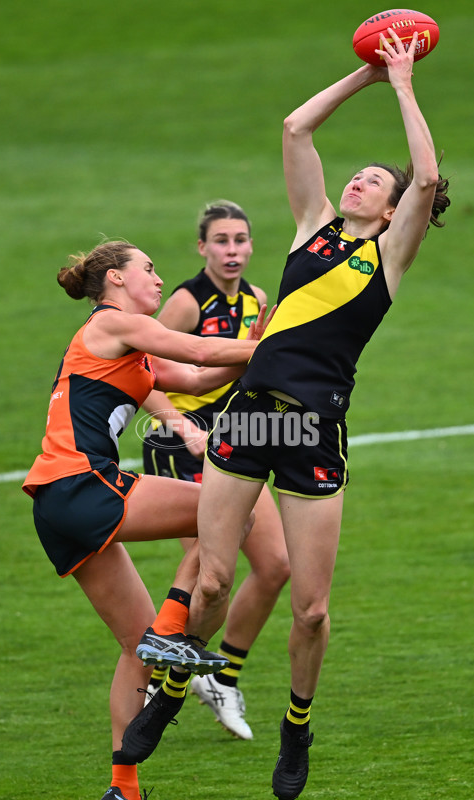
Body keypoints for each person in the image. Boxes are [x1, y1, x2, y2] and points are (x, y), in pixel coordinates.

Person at [124, 29, 451, 800]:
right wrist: (364, 77)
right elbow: (295, 128)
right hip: (250, 419)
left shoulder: (388, 258)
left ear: (394, 207)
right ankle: (169, 699)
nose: (360, 182)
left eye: (375, 181)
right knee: (207, 583)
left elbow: (428, 176)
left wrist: (404, 85)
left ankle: (296, 723)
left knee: (309, 607)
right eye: (361, 176)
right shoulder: (312, 228)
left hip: (312, 434)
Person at [22, 239, 271, 800]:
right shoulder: (115, 324)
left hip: (57, 506)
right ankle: (173, 631)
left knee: (137, 649)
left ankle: (123, 789)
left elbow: (198, 374)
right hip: (84, 485)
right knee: (227, 512)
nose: (159, 280)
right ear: (114, 281)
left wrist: (264, 344)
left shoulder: (127, 343)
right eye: (148, 270)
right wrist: (285, 345)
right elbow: (197, 346)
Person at [139, 201, 290, 741]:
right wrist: (182, 427)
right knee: (210, 578)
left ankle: (223, 675)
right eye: (221, 240)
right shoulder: (184, 302)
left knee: (276, 565)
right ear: (202, 247)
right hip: (178, 442)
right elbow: (141, 371)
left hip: (233, 440)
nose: (232, 250)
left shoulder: (256, 300)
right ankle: (168, 677)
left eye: (241, 240)